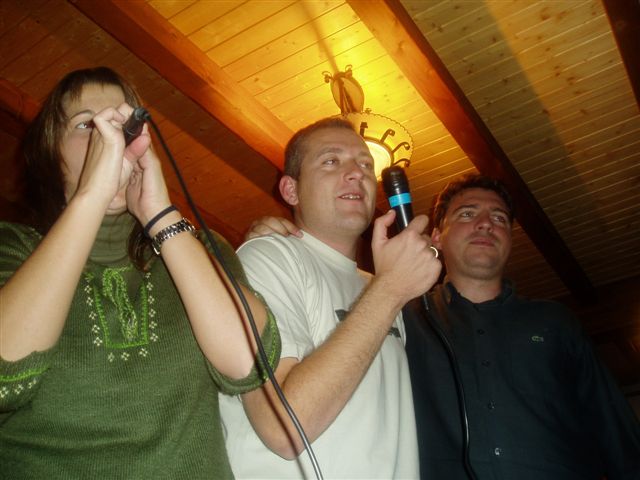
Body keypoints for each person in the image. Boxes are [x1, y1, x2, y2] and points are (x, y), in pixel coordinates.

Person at [0, 67, 280, 479]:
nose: (109, 139)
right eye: (86, 125)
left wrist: (160, 215)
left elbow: (249, 365)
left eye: (122, 125)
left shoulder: (198, 247)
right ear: (50, 155)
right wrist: (92, 195)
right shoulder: (12, 246)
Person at [218, 117, 441, 479]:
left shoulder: (380, 287)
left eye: (365, 164)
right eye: (331, 161)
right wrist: (391, 289)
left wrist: (388, 287)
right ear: (291, 190)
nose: (357, 173)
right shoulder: (267, 256)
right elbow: (284, 427)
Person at [403, 173, 640, 479]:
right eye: (467, 214)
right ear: (436, 237)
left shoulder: (556, 321)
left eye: (499, 218)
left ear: (510, 239)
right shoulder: (406, 319)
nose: (486, 224)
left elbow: (615, 429)